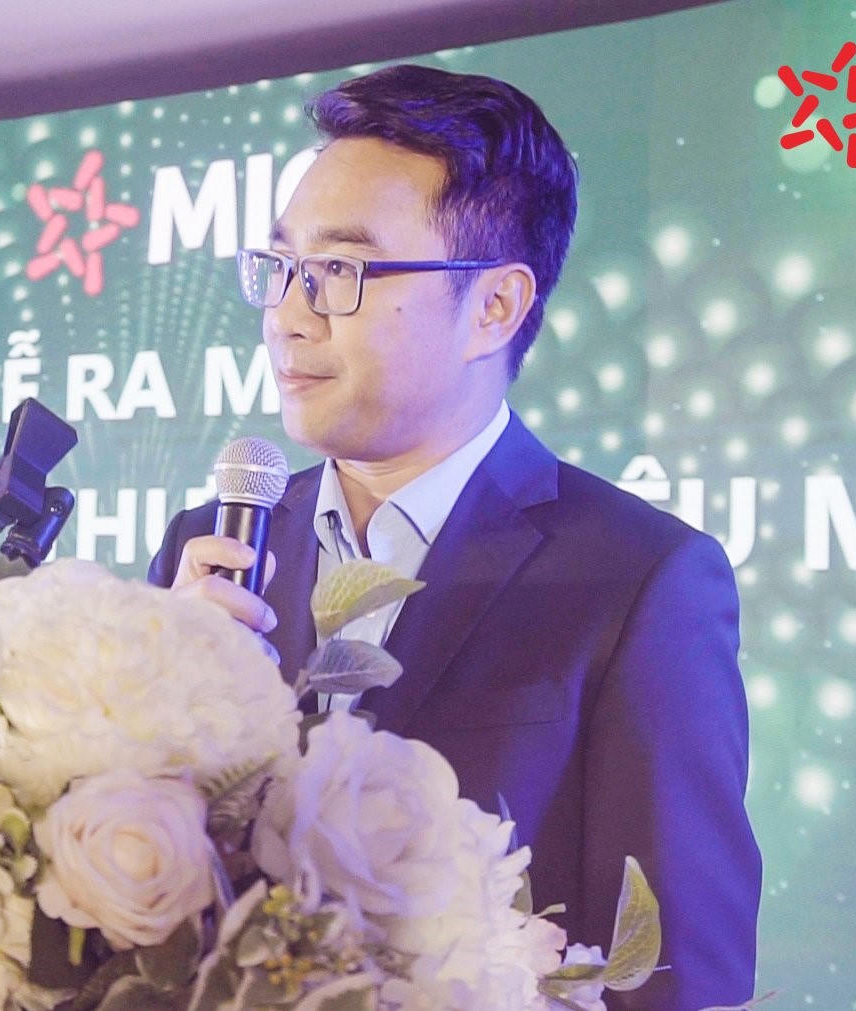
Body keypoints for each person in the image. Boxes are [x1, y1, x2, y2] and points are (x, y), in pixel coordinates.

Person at [147, 64, 759, 1010]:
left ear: (495, 307)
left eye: (340, 272)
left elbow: (679, 975)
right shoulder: (212, 548)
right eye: (282, 267)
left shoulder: (639, 581)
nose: (289, 316)